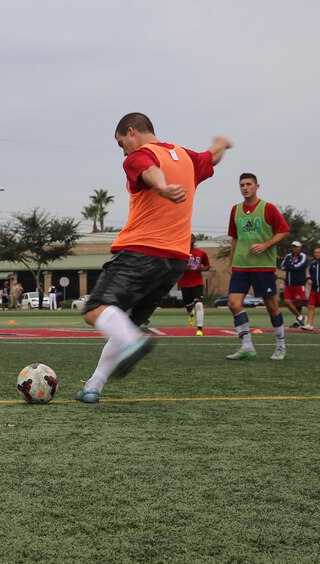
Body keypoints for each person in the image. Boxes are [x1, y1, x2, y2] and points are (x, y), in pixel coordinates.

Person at [75, 113, 230, 404]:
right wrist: (220, 144)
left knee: (95, 309)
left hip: (142, 252)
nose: (123, 150)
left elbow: (149, 170)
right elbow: (212, 158)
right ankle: (93, 386)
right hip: (175, 262)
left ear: (131, 131)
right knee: (124, 322)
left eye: (121, 143)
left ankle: (132, 343)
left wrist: (161, 187)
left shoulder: (138, 156)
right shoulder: (186, 157)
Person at [224, 173, 291, 361]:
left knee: (271, 306)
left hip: (263, 266)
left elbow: (284, 231)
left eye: (248, 184)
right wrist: (231, 262)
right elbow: (235, 237)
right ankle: (247, 347)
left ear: (257, 186)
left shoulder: (267, 208)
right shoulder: (235, 210)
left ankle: (280, 345)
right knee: (233, 304)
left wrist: (266, 245)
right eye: (241, 185)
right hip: (240, 266)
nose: (245, 188)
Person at [180, 237, 211, 335]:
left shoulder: (201, 252)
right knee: (189, 307)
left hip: (197, 283)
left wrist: (203, 268)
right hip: (185, 284)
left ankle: (199, 329)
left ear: (194, 240)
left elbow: (207, 266)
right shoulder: (181, 253)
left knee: (198, 304)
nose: (189, 241)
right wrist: (184, 267)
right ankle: (191, 314)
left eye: (191, 239)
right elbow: (175, 266)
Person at [280, 240, 309, 327]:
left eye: (296, 247)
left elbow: (300, 266)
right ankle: (300, 317)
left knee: (298, 302)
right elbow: (282, 266)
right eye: (293, 247)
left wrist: (289, 266)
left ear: (300, 248)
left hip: (299, 283)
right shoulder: (288, 256)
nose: (294, 248)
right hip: (289, 283)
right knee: (287, 302)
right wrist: (291, 266)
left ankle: (298, 321)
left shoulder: (302, 256)